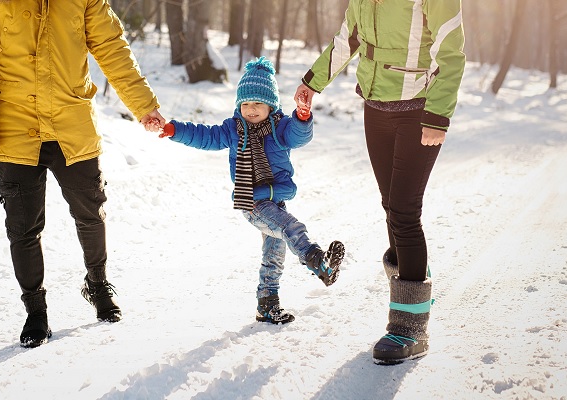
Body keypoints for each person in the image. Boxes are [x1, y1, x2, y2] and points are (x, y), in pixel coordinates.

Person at [0, 0, 165, 348]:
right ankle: (35, 310)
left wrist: (144, 105)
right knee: (23, 227)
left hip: (73, 124)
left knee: (91, 213)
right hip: (13, 126)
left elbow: (111, 46)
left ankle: (97, 283)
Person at [295, 0, 465, 364]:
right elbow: (348, 38)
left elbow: (451, 51)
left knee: (404, 212)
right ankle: (413, 285)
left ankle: (410, 329)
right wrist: (313, 82)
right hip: (376, 106)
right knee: (391, 207)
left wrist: (438, 115)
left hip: (419, 107)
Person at [155, 57, 345, 325]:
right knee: (291, 227)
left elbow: (299, 136)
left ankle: (267, 305)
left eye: (257, 103)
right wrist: (174, 129)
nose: (251, 109)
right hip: (252, 201)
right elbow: (205, 136)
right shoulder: (232, 130)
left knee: (275, 253)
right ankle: (317, 260)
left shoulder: (280, 129)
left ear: (271, 105)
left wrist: (302, 116)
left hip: (274, 200)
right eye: (245, 104)